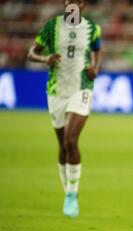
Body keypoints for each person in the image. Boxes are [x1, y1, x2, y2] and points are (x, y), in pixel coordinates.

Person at [27, 0, 102, 217]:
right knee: (62, 144)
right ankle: (68, 191)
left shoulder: (92, 28)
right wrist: (44, 58)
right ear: (64, 3)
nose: (73, 4)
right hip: (56, 91)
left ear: (83, 5)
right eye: (69, 0)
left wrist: (95, 67)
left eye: (77, 1)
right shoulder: (51, 27)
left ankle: (71, 195)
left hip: (82, 88)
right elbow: (32, 52)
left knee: (71, 140)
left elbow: (98, 49)